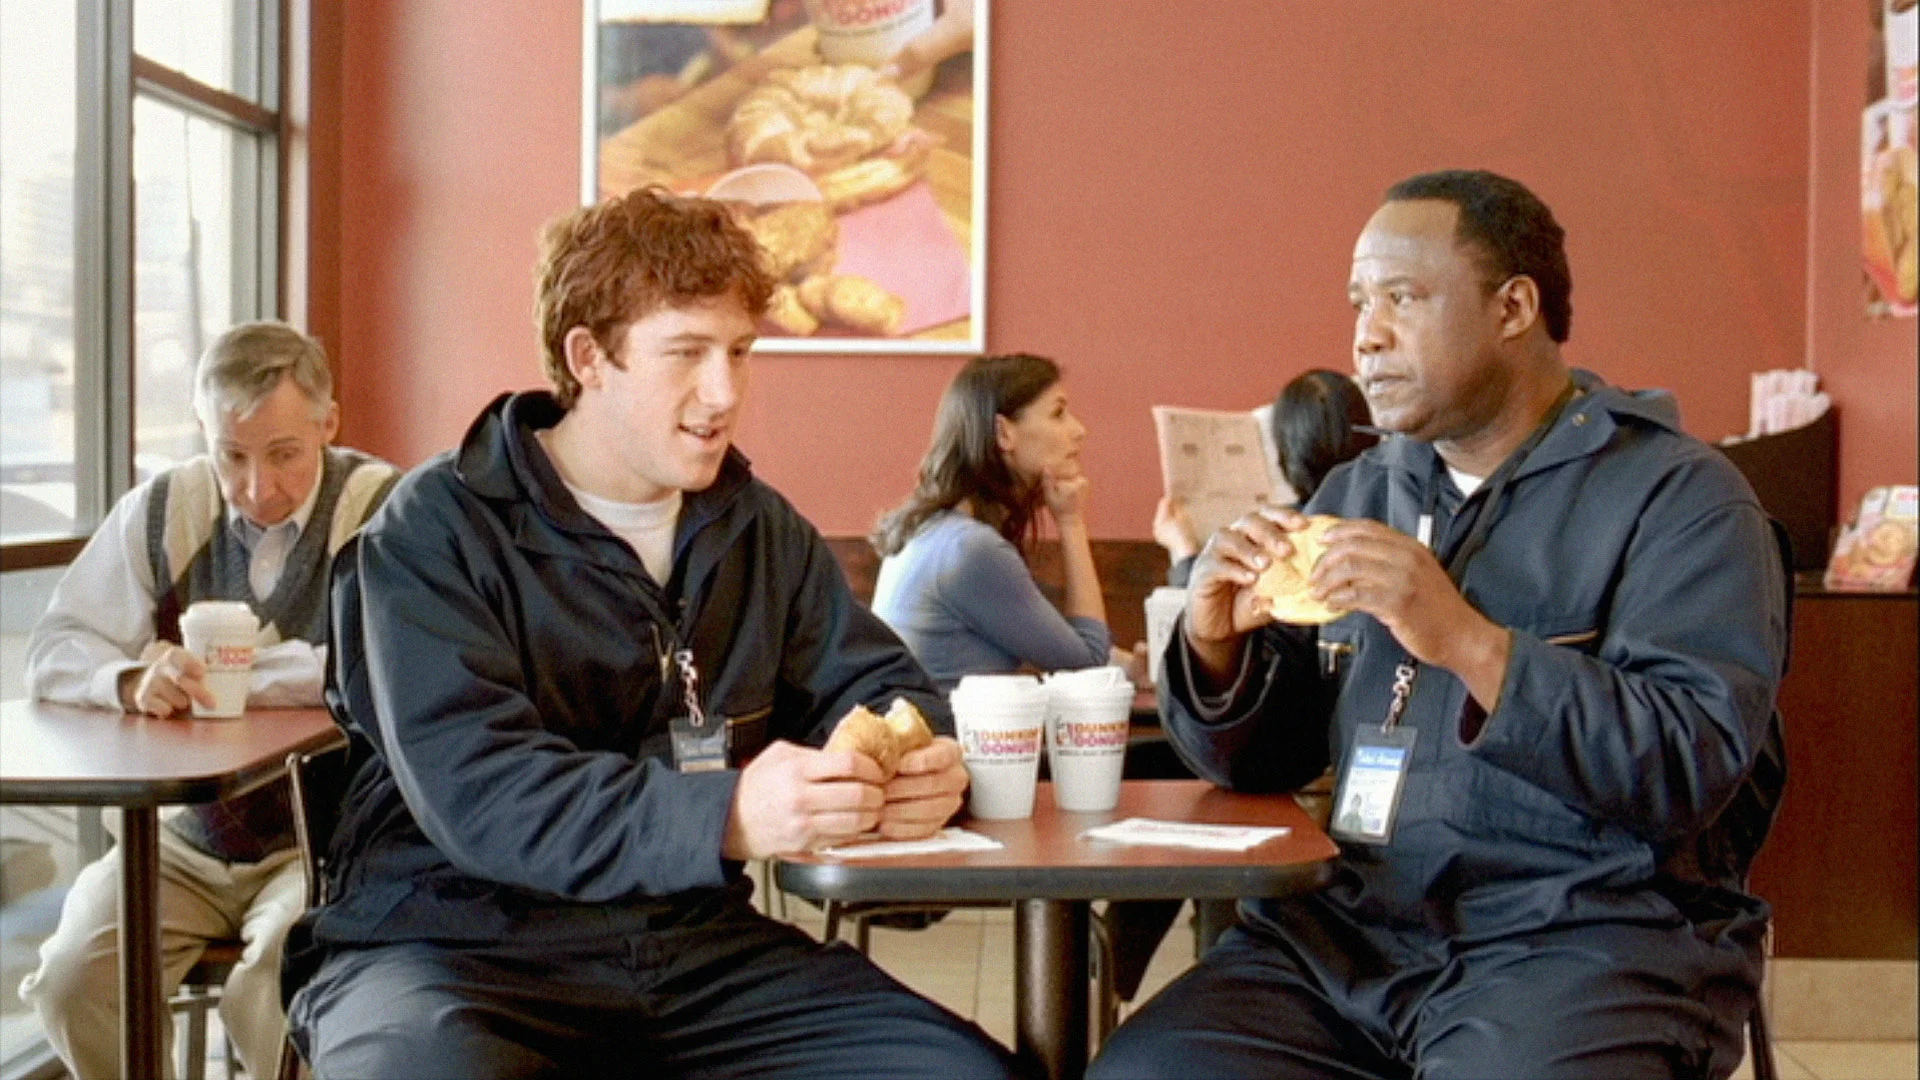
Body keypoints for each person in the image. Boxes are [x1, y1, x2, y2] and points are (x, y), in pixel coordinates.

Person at [281, 187, 1014, 1079]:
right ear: (588, 357)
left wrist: (925, 762)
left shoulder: (759, 529)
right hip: (450, 947)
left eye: (739, 352)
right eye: (687, 353)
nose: (724, 392)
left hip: (692, 942)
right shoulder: (431, 531)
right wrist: (728, 814)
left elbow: (878, 687)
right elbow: (487, 791)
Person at [1091, 170, 1788, 1080]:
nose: (1366, 335)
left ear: (1514, 307)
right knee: (1146, 1071)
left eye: (1402, 298)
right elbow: (1262, 765)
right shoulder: (1358, 492)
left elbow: (1688, 763)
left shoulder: (1682, 499)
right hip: (1351, 935)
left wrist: (1467, 641)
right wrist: (1217, 647)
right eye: (1359, 302)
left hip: (1586, 939)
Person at [17, 321, 398, 1079]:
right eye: (232, 456)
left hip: (328, 839)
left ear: (328, 423)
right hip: (187, 840)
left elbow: (383, 664)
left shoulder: (382, 508)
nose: (257, 488)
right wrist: (128, 680)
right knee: (73, 981)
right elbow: (57, 647)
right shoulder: (166, 509)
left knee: (276, 988)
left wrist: (236, 676)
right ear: (203, 434)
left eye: (283, 454)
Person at [870, 352, 1144, 691]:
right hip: (947, 726)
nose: (1079, 430)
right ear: (1003, 433)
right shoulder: (971, 549)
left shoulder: (940, 532)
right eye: (1058, 413)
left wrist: (1123, 664)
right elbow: (1086, 667)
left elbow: (1053, 641)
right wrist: (1071, 522)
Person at [1153, 368, 1377, 585]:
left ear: (1284, 454)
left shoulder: (1280, 536)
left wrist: (1184, 550)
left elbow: (1214, 602)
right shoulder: (1389, 512)